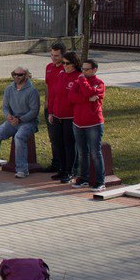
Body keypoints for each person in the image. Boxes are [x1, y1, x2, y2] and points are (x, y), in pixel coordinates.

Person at [0, 66, 41, 178]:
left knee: (19, 137)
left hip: (28, 122)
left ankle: (22, 169)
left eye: (20, 75)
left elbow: (34, 111)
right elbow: (5, 107)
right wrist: (8, 116)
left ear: (26, 75)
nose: (17, 77)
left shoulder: (32, 91)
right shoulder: (9, 89)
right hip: (12, 121)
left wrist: (20, 119)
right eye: (14, 74)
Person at [69, 58, 106, 191]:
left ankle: (100, 181)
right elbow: (72, 97)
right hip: (78, 123)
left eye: (86, 69)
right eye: (82, 69)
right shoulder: (77, 82)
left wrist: (84, 82)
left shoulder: (99, 83)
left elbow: (91, 92)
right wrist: (87, 99)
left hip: (93, 124)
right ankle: (83, 178)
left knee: (95, 153)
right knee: (82, 152)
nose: (83, 72)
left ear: (94, 69)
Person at [54, 52, 83, 184]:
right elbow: (55, 94)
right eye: (63, 63)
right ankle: (62, 169)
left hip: (70, 116)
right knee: (58, 143)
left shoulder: (79, 77)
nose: (64, 66)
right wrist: (52, 112)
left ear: (74, 64)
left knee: (69, 144)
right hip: (57, 115)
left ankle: (71, 171)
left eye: (67, 63)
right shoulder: (61, 75)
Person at [44, 42, 67, 177]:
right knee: (53, 137)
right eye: (52, 55)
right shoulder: (49, 67)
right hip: (50, 107)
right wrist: (46, 101)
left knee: (63, 138)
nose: (53, 58)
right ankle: (56, 163)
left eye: (57, 56)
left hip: (61, 109)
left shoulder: (66, 69)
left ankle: (65, 166)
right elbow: (47, 85)